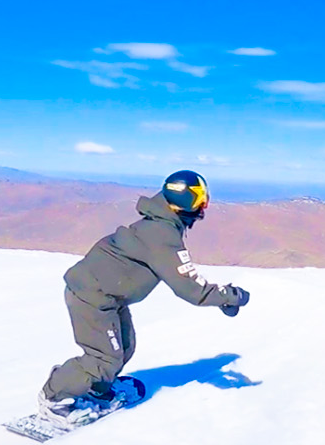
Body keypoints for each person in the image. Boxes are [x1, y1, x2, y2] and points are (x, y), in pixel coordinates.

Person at [39, 170, 249, 421]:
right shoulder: (162, 235)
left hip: (107, 296)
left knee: (124, 348)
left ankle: (96, 389)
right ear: (187, 201)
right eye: (200, 200)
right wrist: (229, 296)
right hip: (92, 297)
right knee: (103, 359)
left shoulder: (161, 225)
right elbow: (191, 288)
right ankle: (54, 396)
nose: (203, 207)